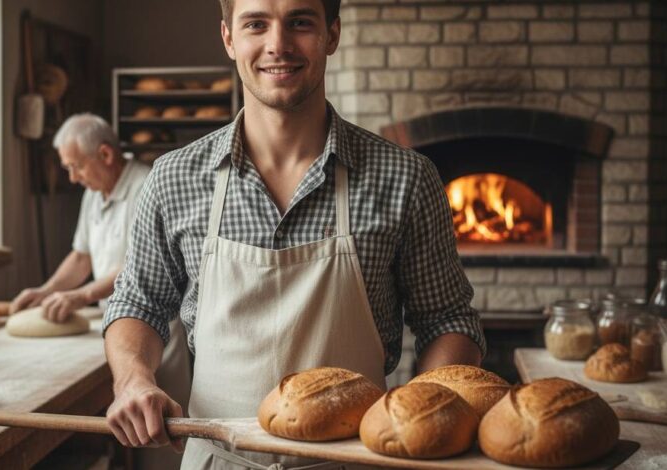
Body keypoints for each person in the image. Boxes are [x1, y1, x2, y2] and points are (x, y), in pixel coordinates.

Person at [103, 0, 485, 468]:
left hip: (355, 462)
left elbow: (447, 320)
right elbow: (138, 303)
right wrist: (134, 379)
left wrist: (424, 410)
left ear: (332, 35)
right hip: (218, 462)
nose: (277, 45)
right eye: (256, 24)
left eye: (300, 22)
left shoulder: (405, 178)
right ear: (229, 38)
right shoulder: (173, 178)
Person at [10, 113, 191, 469]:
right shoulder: (94, 194)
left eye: (76, 167)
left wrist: (81, 296)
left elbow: (137, 266)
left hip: (155, 334)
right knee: (128, 432)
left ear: (106, 155)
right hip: (113, 332)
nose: (73, 177)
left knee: (160, 439)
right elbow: (81, 257)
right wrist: (45, 291)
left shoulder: (148, 186)